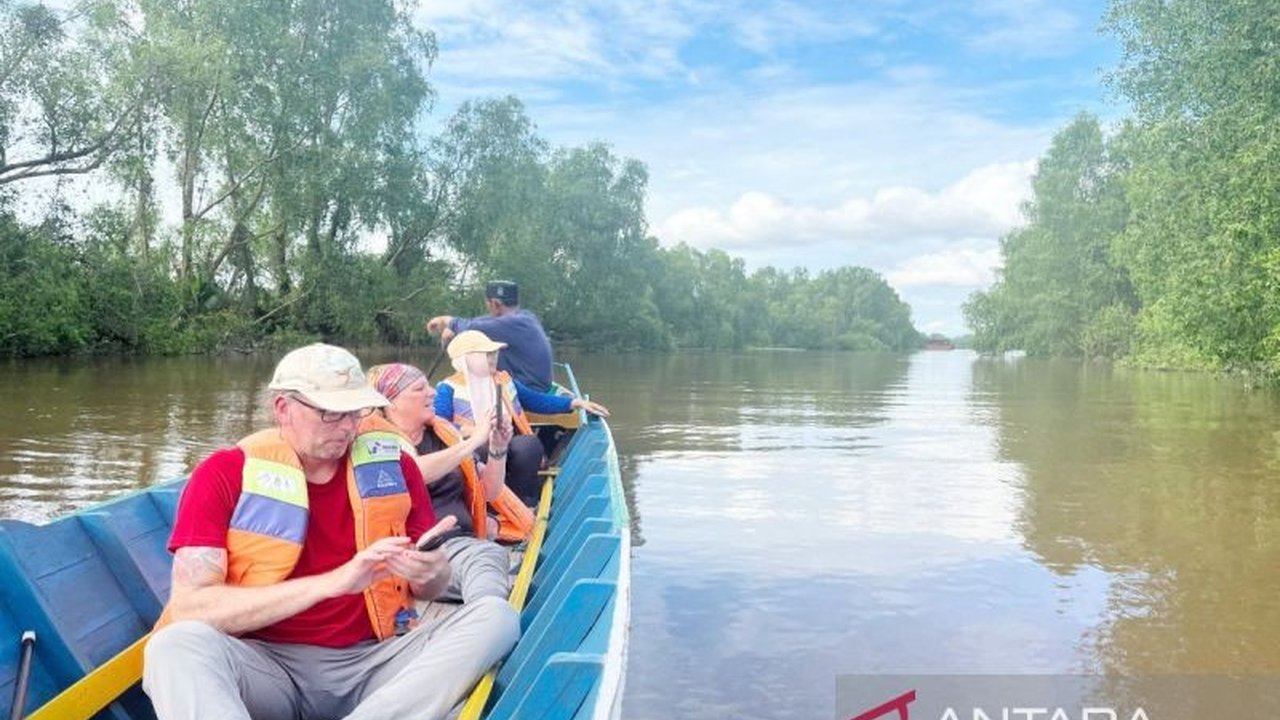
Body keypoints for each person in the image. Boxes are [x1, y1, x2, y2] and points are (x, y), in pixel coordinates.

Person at [142, 343, 519, 720]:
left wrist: (431, 571)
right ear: (283, 408)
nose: (348, 427)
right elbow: (192, 607)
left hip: (376, 662)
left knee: (495, 616)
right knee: (174, 646)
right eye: (330, 413)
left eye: (355, 412)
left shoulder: (397, 467)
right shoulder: (223, 473)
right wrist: (334, 582)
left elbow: (430, 590)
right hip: (268, 668)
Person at [366, 362, 531, 601]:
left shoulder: (443, 434)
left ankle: (487, 607)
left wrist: (497, 448)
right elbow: (414, 473)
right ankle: (489, 613)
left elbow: (489, 492)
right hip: (419, 552)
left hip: (463, 544)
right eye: (419, 388)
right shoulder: (376, 442)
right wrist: (473, 441)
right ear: (391, 401)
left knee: (487, 555)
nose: (432, 392)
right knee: (487, 557)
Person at [435, 330, 609, 506]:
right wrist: (474, 432)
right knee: (479, 451)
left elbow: (536, 400)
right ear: (468, 359)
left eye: (494, 353)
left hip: (505, 439)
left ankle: (524, 503)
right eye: (487, 354)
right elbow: (439, 425)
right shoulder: (447, 388)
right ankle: (482, 505)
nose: (494, 357)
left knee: (529, 445)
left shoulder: (504, 380)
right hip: (473, 446)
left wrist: (574, 403)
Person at [424, 280, 555, 392]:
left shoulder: (512, 323)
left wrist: (444, 320)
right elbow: (482, 322)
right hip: (536, 384)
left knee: (457, 383)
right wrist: (454, 327)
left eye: (487, 303)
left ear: (495, 304)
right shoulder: (525, 317)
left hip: (529, 389)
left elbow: (473, 327)